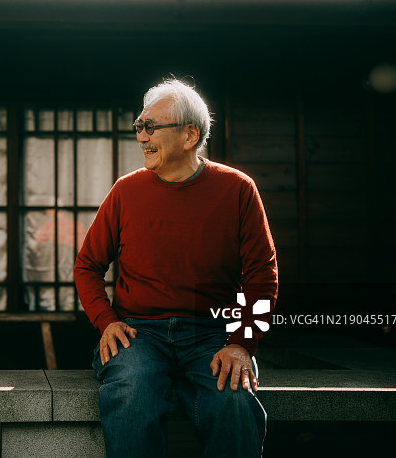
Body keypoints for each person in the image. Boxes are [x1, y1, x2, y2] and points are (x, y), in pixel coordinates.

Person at [74, 79, 277, 457]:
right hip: (139, 333)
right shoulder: (125, 191)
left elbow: (263, 276)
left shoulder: (237, 189)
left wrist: (242, 344)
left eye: (151, 127)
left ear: (189, 135)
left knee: (234, 401)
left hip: (214, 331)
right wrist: (107, 321)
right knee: (132, 390)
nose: (141, 137)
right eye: (139, 125)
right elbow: (87, 265)